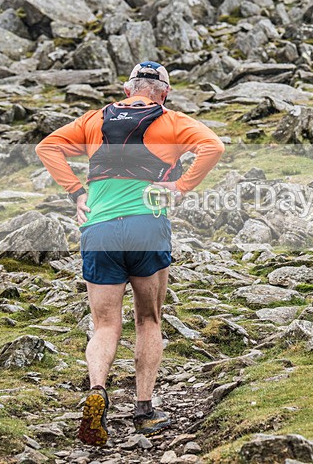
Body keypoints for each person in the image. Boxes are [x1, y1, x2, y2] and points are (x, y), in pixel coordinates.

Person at [35, 62, 225, 445]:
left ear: (128, 90)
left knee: (105, 324)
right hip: (146, 226)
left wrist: (76, 192)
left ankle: (97, 390)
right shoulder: (172, 120)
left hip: (100, 227)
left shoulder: (94, 119)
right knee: (148, 319)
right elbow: (214, 146)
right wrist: (182, 187)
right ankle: (143, 409)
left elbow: (47, 146)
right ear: (164, 92)